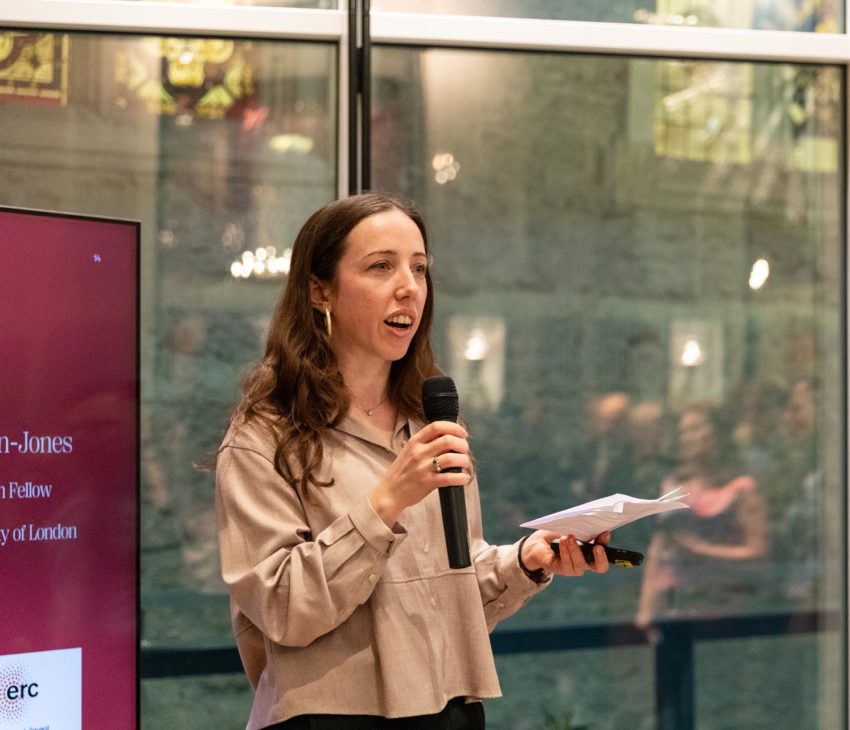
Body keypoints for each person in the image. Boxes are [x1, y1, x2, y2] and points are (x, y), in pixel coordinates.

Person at [215, 192, 610, 730]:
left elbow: (450, 592)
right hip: (330, 717)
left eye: (419, 269)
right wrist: (385, 503)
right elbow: (283, 607)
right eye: (381, 266)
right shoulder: (265, 436)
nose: (409, 287)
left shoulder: (429, 426)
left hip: (447, 711)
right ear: (319, 290)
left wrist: (525, 562)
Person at [634, 402, 768, 629]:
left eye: (695, 429)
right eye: (683, 431)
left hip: (721, 607)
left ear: (718, 433)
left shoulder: (740, 488)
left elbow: (757, 550)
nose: (688, 438)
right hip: (674, 606)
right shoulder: (673, 485)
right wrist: (645, 611)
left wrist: (702, 551)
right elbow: (658, 550)